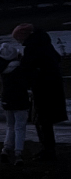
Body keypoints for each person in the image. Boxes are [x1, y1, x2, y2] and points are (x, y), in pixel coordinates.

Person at [15, 24, 63, 163]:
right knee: (44, 120)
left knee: (42, 120)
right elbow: (56, 59)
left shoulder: (33, 47)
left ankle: (48, 151)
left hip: (43, 88)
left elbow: (27, 66)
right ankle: (49, 149)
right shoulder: (44, 44)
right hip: (51, 87)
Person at [0, 39, 29, 164]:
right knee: (20, 127)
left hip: (6, 99)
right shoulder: (19, 69)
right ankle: (18, 152)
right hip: (21, 100)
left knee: (10, 126)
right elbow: (26, 83)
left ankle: (6, 148)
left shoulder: (3, 70)